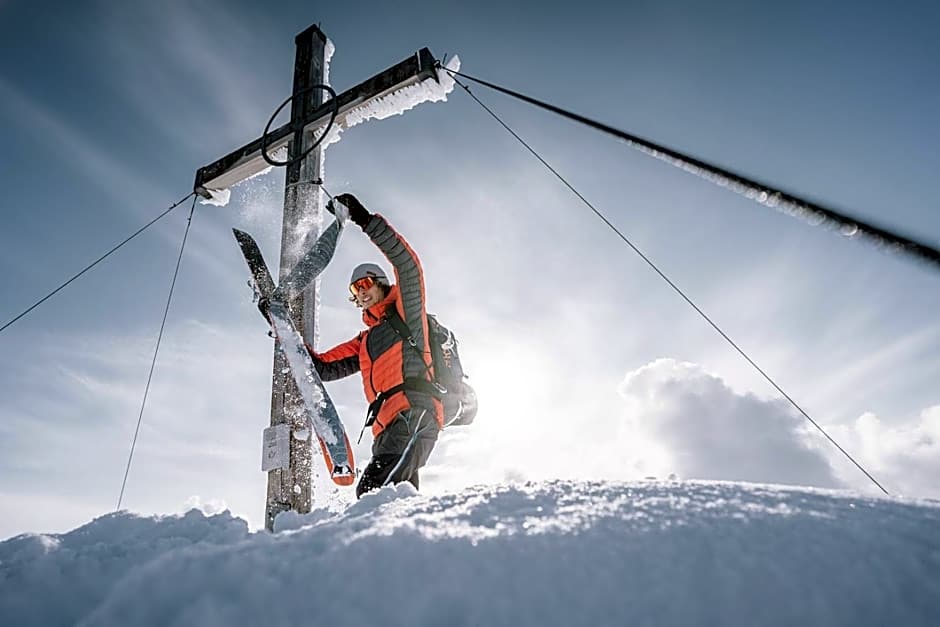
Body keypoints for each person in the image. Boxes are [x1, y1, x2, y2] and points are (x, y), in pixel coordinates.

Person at [308, 193, 443, 498]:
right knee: (395, 507)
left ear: (381, 283)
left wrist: (364, 219)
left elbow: (408, 267)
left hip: (413, 415)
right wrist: (284, 330)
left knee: (372, 494)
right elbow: (323, 368)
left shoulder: (407, 314)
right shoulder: (365, 342)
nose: (361, 293)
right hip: (384, 433)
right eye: (355, 290)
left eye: (366, 284)